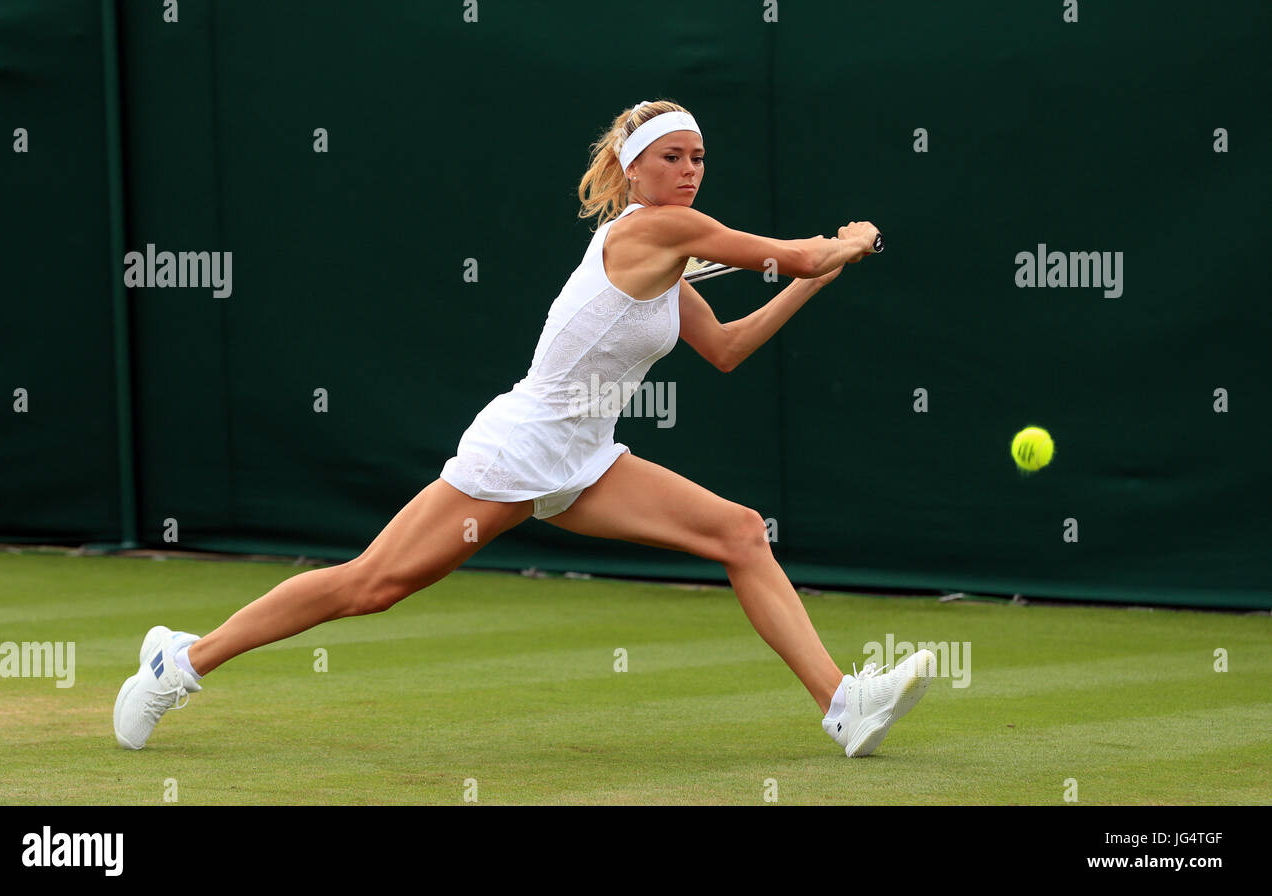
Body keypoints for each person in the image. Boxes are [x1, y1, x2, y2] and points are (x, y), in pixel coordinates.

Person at [114, 99, 935, 758]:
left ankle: (841, 704)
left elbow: (724, 348)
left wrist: (821, 274)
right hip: (520, 449)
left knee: (739, 533)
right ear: (631, 167)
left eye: (698, 159)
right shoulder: (655, 230)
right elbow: (791, 254)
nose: (688, 171)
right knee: (371, 585)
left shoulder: (671, 260)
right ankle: (179, 661)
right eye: (671, 157)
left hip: (585, 459)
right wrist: (842, 243)